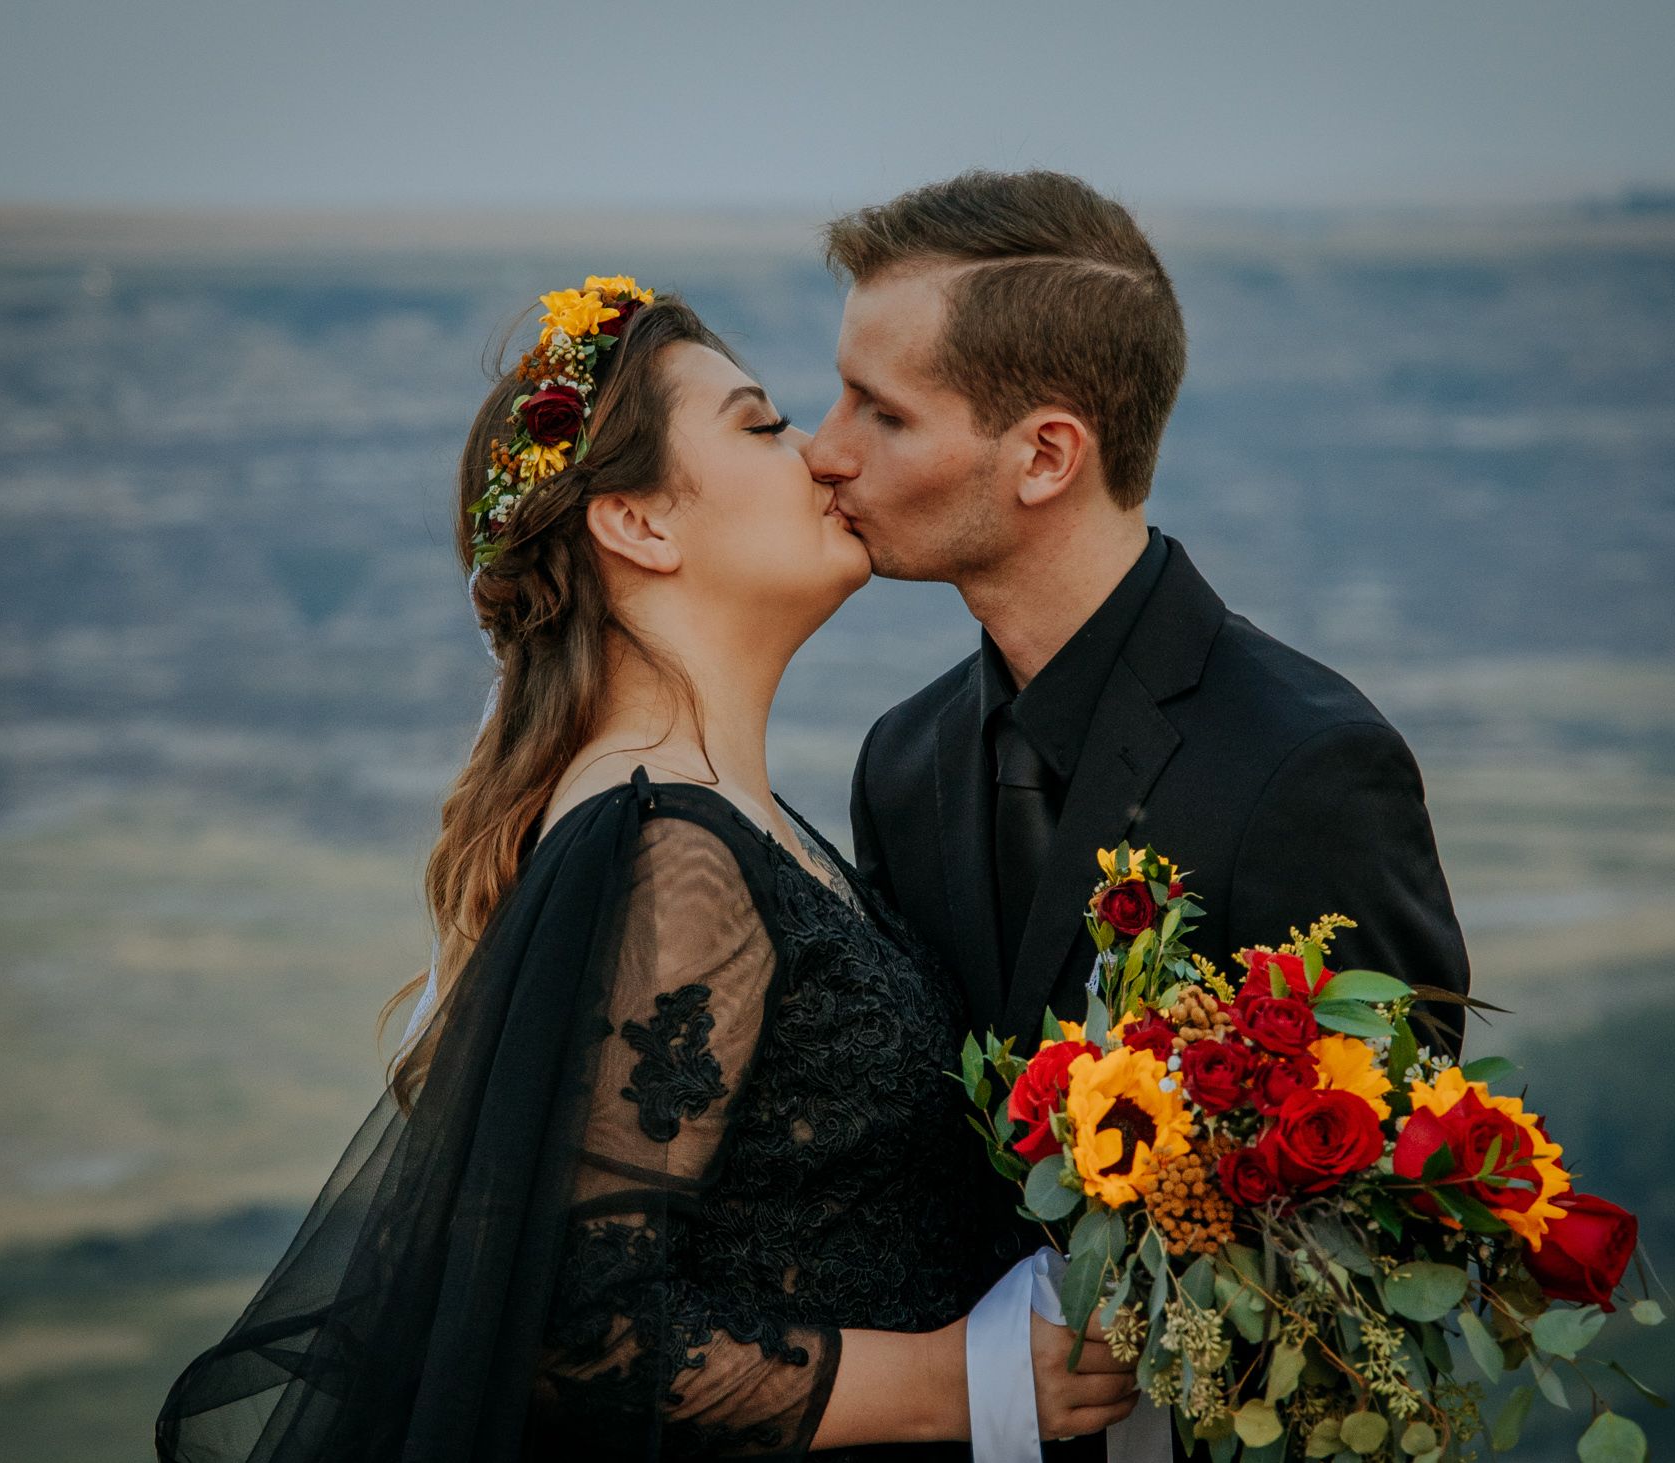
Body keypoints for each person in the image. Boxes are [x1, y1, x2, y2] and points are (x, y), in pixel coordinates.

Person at [154, 279, 1137, 1462]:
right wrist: (952, 1382)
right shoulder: (669, 850)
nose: (825, 457)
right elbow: (576, 1324)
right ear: (640, 524)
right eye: (763, 426)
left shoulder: (728, 820)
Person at [808, 171, 1473, 1456]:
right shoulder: (902, 756)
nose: (824, 449)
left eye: (879, 412)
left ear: (1046, 454)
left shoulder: (1308, 765)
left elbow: (1393, 1218)